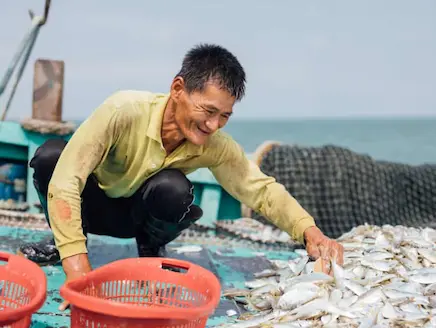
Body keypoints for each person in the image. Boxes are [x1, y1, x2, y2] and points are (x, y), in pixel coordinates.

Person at [18, 43, 344, 309]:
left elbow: (260, 190)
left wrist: (310, 231)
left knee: (174, 188)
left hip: (137, 220)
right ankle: (66, 245)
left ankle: (150, 247)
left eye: (225, 116)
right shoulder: (123, 109)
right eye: (208, 111)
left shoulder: (215, 145)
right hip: (92, 211)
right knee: (51, 157)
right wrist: (77, 270)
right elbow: (67, 180)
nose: (213, 125)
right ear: (178, 89)